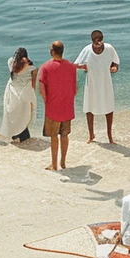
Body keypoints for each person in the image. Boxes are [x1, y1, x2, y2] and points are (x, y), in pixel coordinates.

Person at [38, 41, 78, 171]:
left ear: (52, 51)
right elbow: (75, 88)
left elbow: (42, 88)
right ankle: (63, 163)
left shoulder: (45, 67)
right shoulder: (71, 67)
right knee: (65, 135)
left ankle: (54, 165)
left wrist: (47, 102)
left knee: (54, 136)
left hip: (53, 108)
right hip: (67, 106)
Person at [76, 30, 120, 144]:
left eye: (99, 42)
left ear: (102, 40)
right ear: (92, 41)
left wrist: (114, 68)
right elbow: (75, 64)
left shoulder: (109, 48)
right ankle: (91, 135)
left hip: (106, 83)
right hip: (91, 83)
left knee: (109, 108)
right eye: (95, 42)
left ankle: (110, 136)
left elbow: (116, 62)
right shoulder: (87, 50)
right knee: (89, 109)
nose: (98, 45)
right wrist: (83, 67)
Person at [1, 47, 38, 143]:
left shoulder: (11, 64)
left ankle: (15, 133)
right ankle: (22, 134)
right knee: (24, 114)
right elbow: (33, 84)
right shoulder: (31, 67)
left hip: (13, 92)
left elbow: (12, 63)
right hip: (25, 92)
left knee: (14, 113)